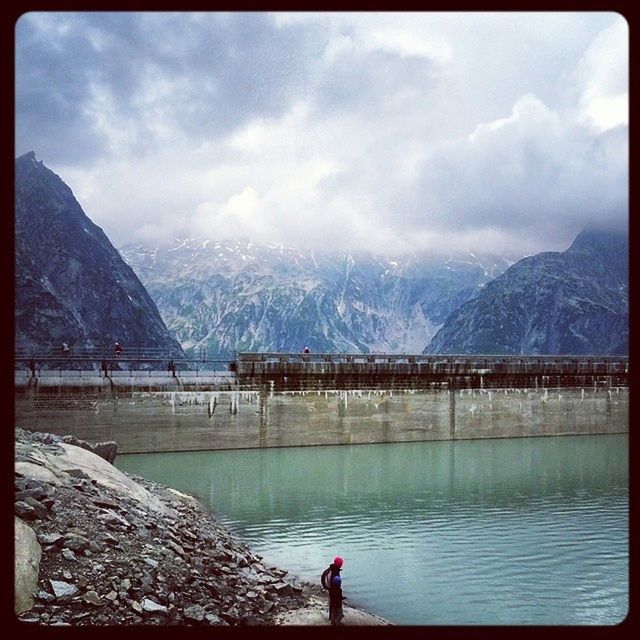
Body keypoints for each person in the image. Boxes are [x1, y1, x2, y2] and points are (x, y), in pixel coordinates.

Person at [321, 556, 346, 625]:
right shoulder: (335, 572)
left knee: (332, 604)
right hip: (333, 589)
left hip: (330, 589)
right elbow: (335, 583)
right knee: (337, 607)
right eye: (341, 564)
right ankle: (337, 620)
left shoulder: (331, 568)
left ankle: (332, 618)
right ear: (340, 564)